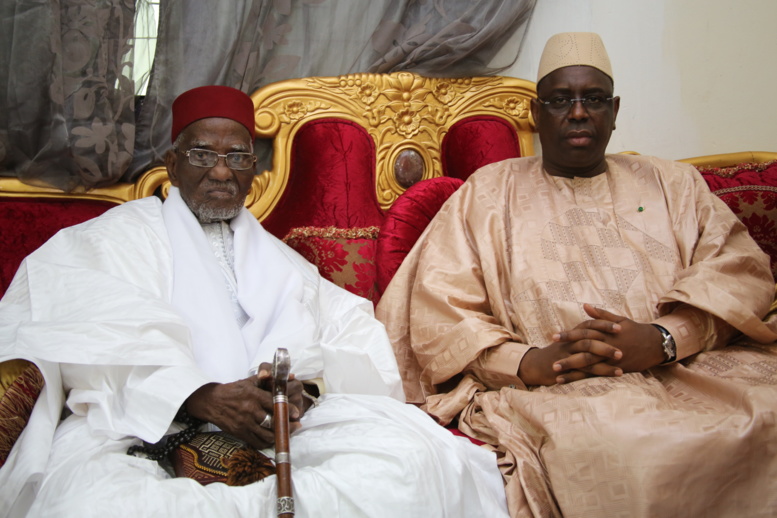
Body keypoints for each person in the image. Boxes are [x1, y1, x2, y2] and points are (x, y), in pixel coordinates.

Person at [0, 85, 510, 517]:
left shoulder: (284, 262)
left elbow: (351, 333)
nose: (221, 173)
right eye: (203, 155)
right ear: (172, 165)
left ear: (253, 173)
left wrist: (300, 390)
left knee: (411, 461)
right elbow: (74, 325)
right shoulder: (112, 239)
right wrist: (198, 395)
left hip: (279, 430)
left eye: (237, 158)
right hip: (141, 426)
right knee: (107, 504)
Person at [377, 32, 777, 518]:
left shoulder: (672, 183)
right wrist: (531, 363)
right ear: (534, 112)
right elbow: (441, 310)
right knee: (634, 449)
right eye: (561, 99)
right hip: (560, 391)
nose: (579, 112)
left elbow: (740, 271)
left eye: (594, 98)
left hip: (690, 367)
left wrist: (664, 338)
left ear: (615, 109)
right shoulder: (486, 194)